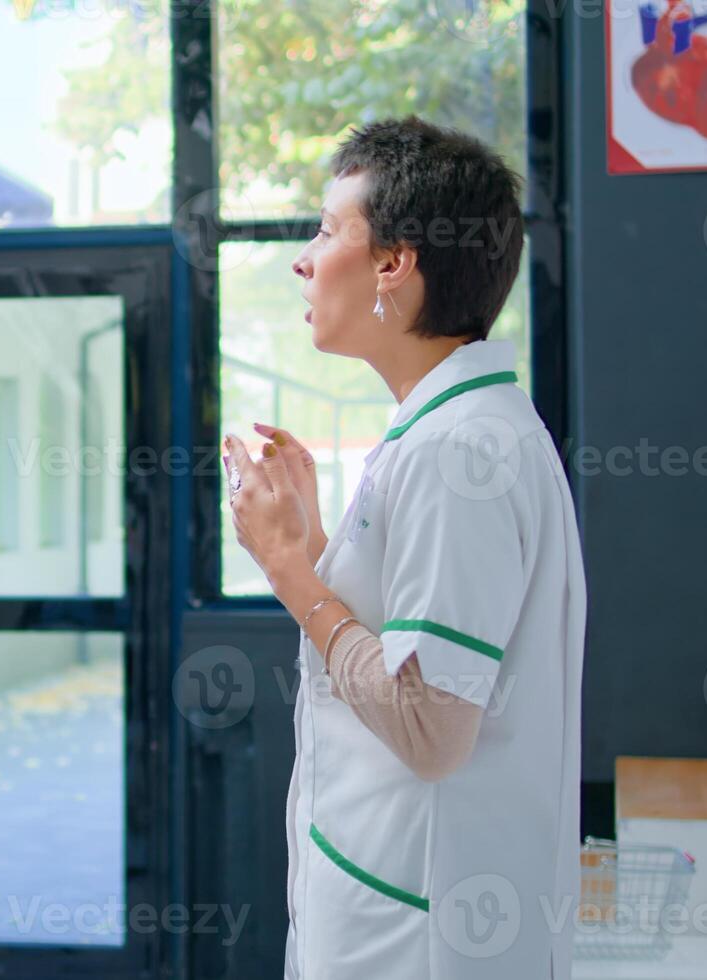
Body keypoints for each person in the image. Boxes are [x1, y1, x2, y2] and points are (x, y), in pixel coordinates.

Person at [226, 117, 584, 978]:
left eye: (325, 229)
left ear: (395, 264)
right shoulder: (443, 431)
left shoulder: (456, 451)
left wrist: (290, 576)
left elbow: (430, 729)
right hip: (403, 903)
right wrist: (312, 550)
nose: (302, 261)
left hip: (423, 936)